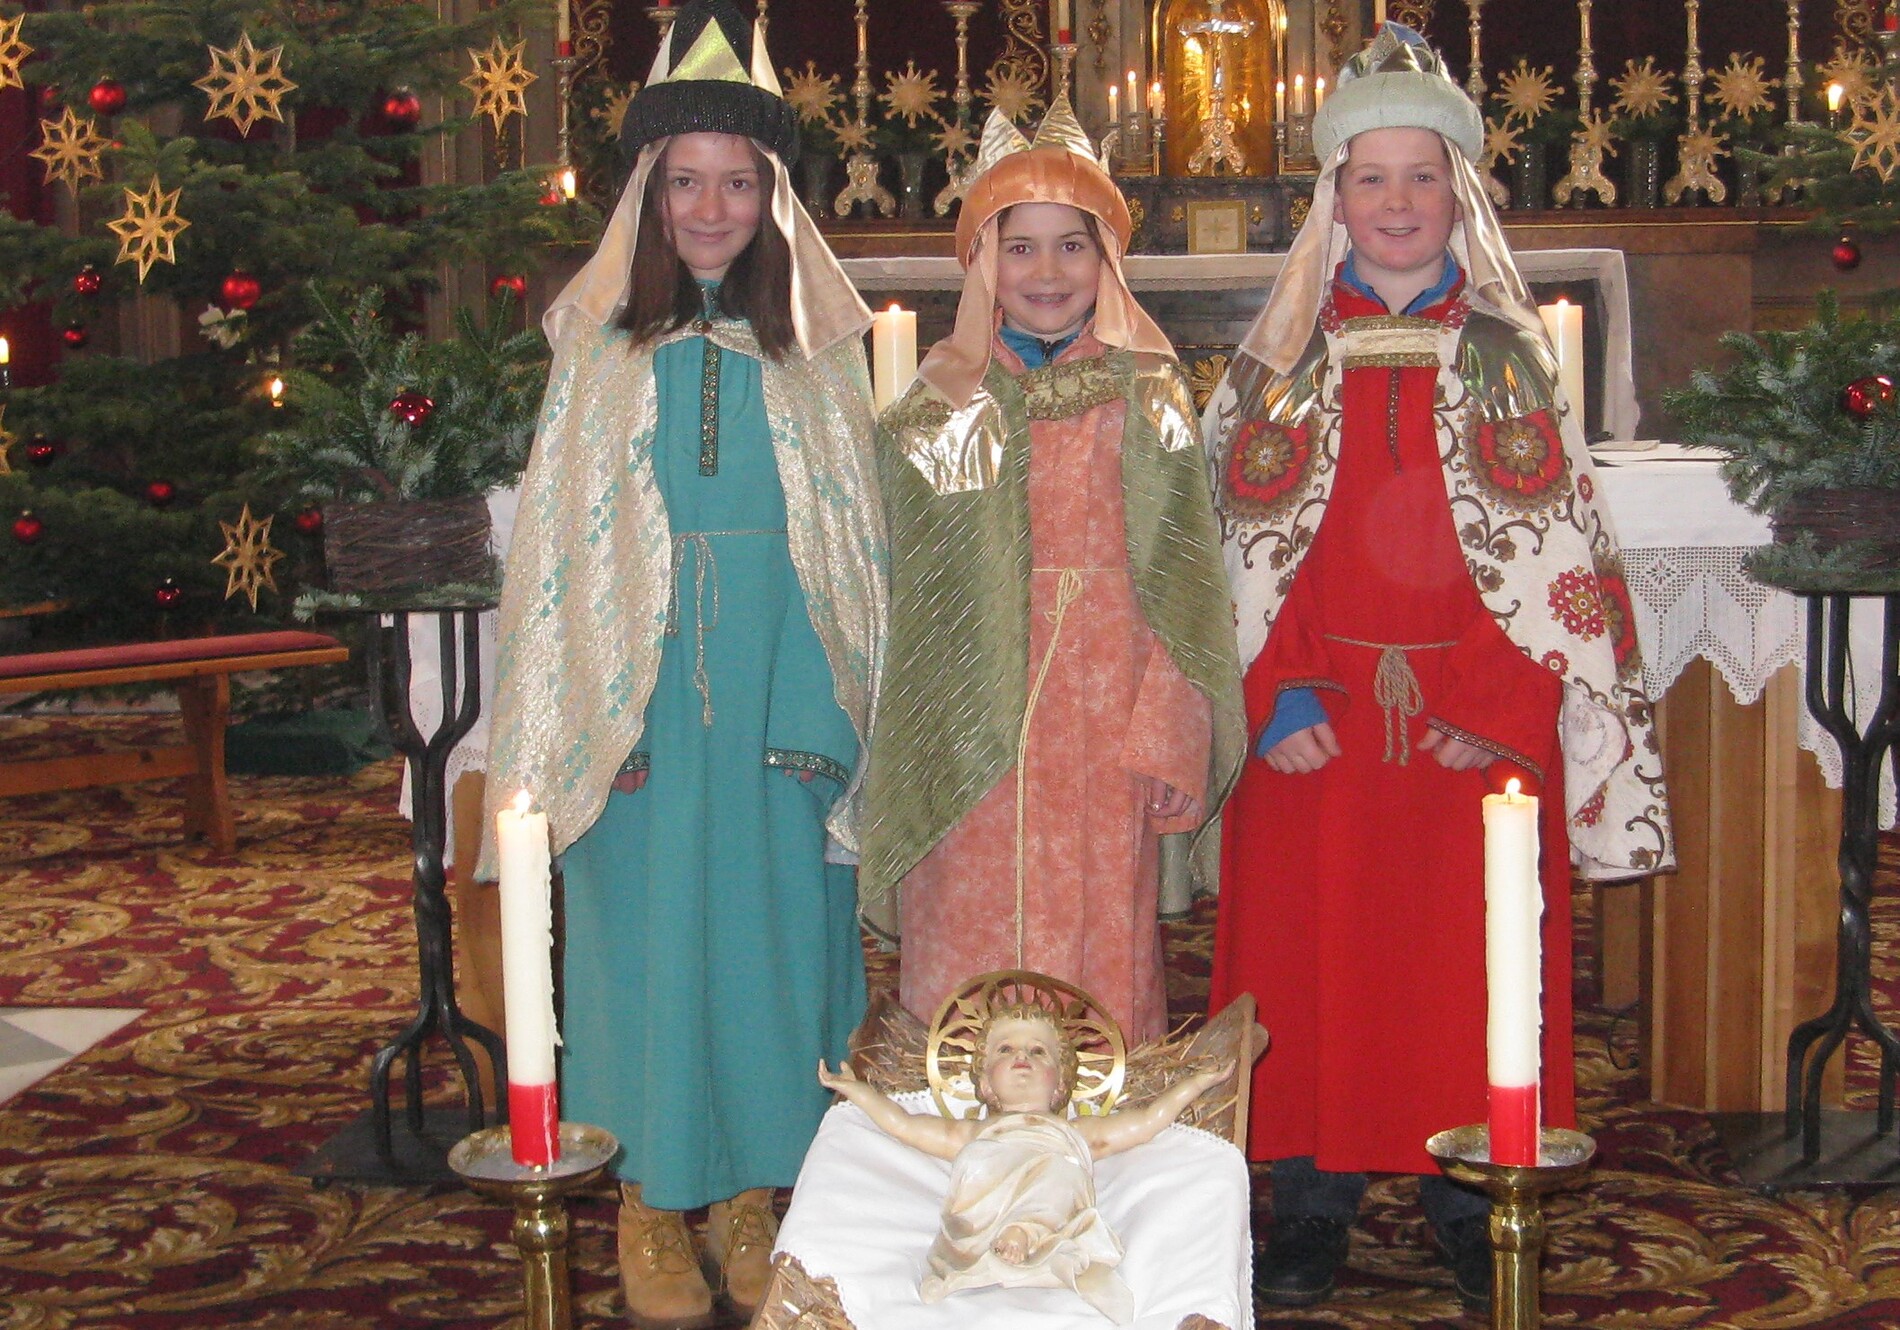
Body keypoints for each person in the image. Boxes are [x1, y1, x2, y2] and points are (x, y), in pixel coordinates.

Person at [1201, 24, 1673, 1314]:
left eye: (1423, 178)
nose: (1397, 204)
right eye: (1371, 178)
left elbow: (1558, 566)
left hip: (1473, 740)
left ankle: (1477, 1193)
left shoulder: (1511, 358)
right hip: (1314, 733)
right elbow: (1234, 558)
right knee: (1301, 970)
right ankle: (1305, 1195)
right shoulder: (1274, 368)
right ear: (1331, 198)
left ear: (1459, 195)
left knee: (1470, 970)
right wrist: (1275, 694)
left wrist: (1496, 702)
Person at [481, 4, 885, 1326]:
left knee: (778, 954)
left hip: (783, 714)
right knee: (642, 958)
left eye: (739, 180)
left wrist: (821, 711)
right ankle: (653, 1204)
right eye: (686, 181)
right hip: (639, 719)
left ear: (773, 199)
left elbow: (853, 560)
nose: (712, 205)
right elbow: (559, 566)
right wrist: (598, 718)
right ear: (648, 199)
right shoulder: (595, 357)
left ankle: (763, 1193)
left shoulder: (820, 360)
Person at [859, 102, 1246, 1045]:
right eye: (1019, 248)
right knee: (968, 940)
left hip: (1106, 728)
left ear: (1107, 261)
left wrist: (1169, 734)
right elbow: (905, 602)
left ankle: (1101, 1134)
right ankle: (960, 1128)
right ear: (981, 260)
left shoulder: (1148, 396)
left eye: (1071, 247)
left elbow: (1187, 591)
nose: (1046, 273)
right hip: (968, 739)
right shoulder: (934, 412)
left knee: (1097, 940)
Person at [816, 1002, 1232, 1323]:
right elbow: (903, 1124)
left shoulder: (1076, 1134)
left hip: (1051, 1215)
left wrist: (1194, 1084)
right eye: (1006, 1049)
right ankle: (1001, 1240)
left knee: (1059, 1168)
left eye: (1039, 1052)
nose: (1023, 1058)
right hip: (983, 1220)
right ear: (984, 1082)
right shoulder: (970, 1132)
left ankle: (1029, 1232)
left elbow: (1145, 1123)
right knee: (982, 1161)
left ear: (1060, 1086)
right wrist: (857, 1092)